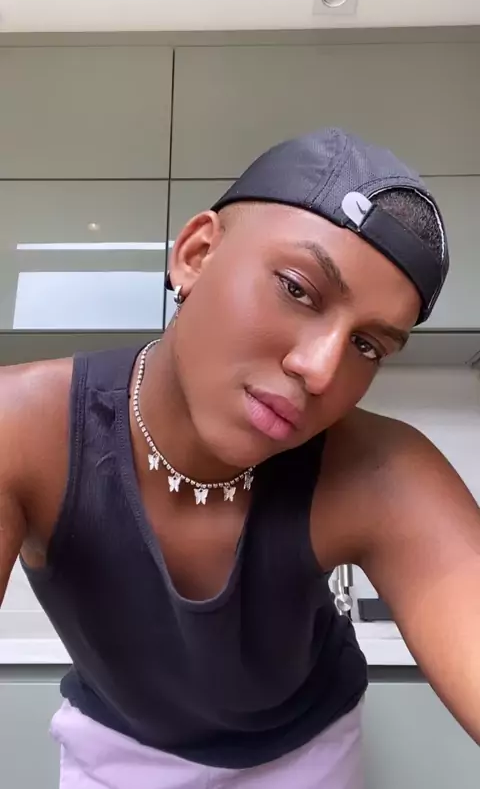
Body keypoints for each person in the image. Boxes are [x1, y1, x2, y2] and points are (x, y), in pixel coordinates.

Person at [0, 128, 479, 789]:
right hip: (115, 750)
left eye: (368, 346)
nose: (320, 370)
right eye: (298, 289)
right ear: (196, 255)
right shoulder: (22, 429)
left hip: (307, 755)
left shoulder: (377, 474)